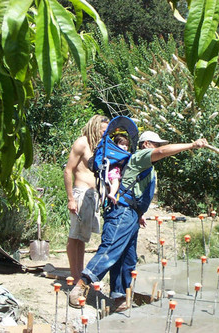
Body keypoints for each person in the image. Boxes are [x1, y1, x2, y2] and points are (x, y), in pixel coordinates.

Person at [69, 130, 208, 311]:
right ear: (146, 144)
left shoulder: (146, 167)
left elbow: (135, 190)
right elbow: (160, 153)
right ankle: (81, 285)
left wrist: (139, 214)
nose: (158, 148)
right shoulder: (140, 157)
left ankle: (120, 298)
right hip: (122, 213)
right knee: (110, 249)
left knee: (127, 258)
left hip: (131, 215)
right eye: (156, 144)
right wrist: (191, 145)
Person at [64, 115, 109, 282]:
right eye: (103, 130)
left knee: (82, 237)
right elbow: (68, 170)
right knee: (74, 235)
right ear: (95, 127)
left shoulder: (99, 145)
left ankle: (80, 273)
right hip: (80, 193)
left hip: (93, 195)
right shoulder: (82, 143)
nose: (105, 133)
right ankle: (74, 275)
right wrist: (71, 198)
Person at [107, 134, 130, 205]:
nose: (124, 147)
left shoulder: (125, 154)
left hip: (116, 171)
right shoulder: (115, 153)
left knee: (117, 183)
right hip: (113, 170)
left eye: (126, 145)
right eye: (122, 144)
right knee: (115, 182)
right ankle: (112, 194)